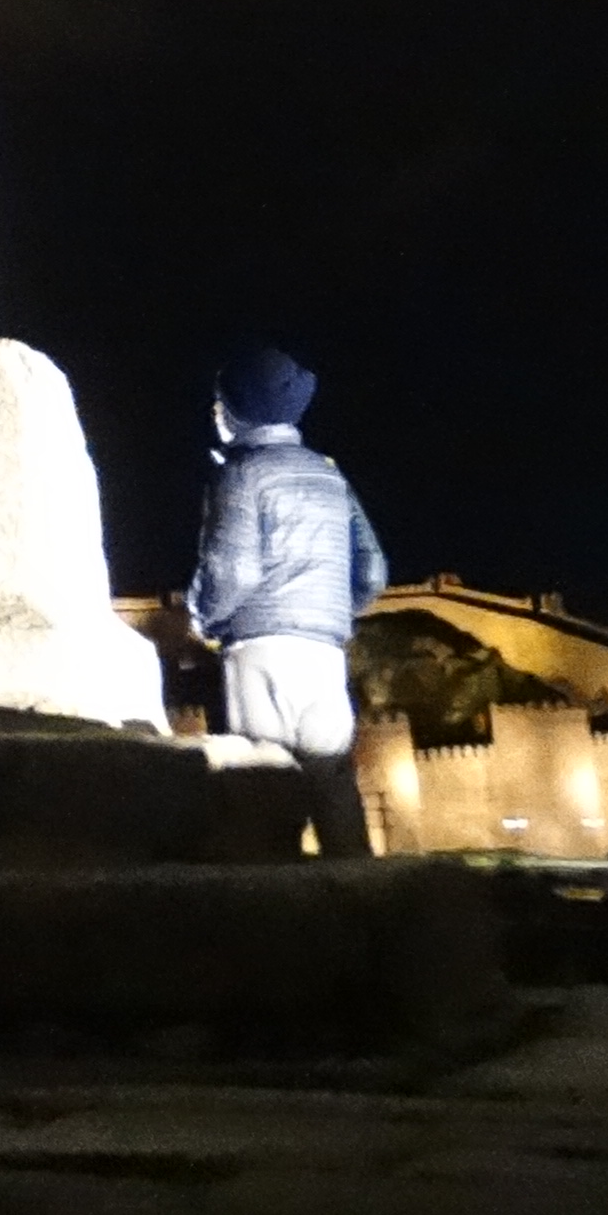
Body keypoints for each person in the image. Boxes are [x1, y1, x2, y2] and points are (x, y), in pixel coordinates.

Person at [181, 344, 387, 857]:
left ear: (234, 410)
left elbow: (233, 570)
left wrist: (201, 614)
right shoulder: (329, 474)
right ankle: (370, 911)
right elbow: (374, 570)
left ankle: (278, 920)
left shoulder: (241, 473)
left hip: (260, 647)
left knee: (265, 787)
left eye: (218, 402)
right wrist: (334, 613)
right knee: (334, 787)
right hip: (325, 650)